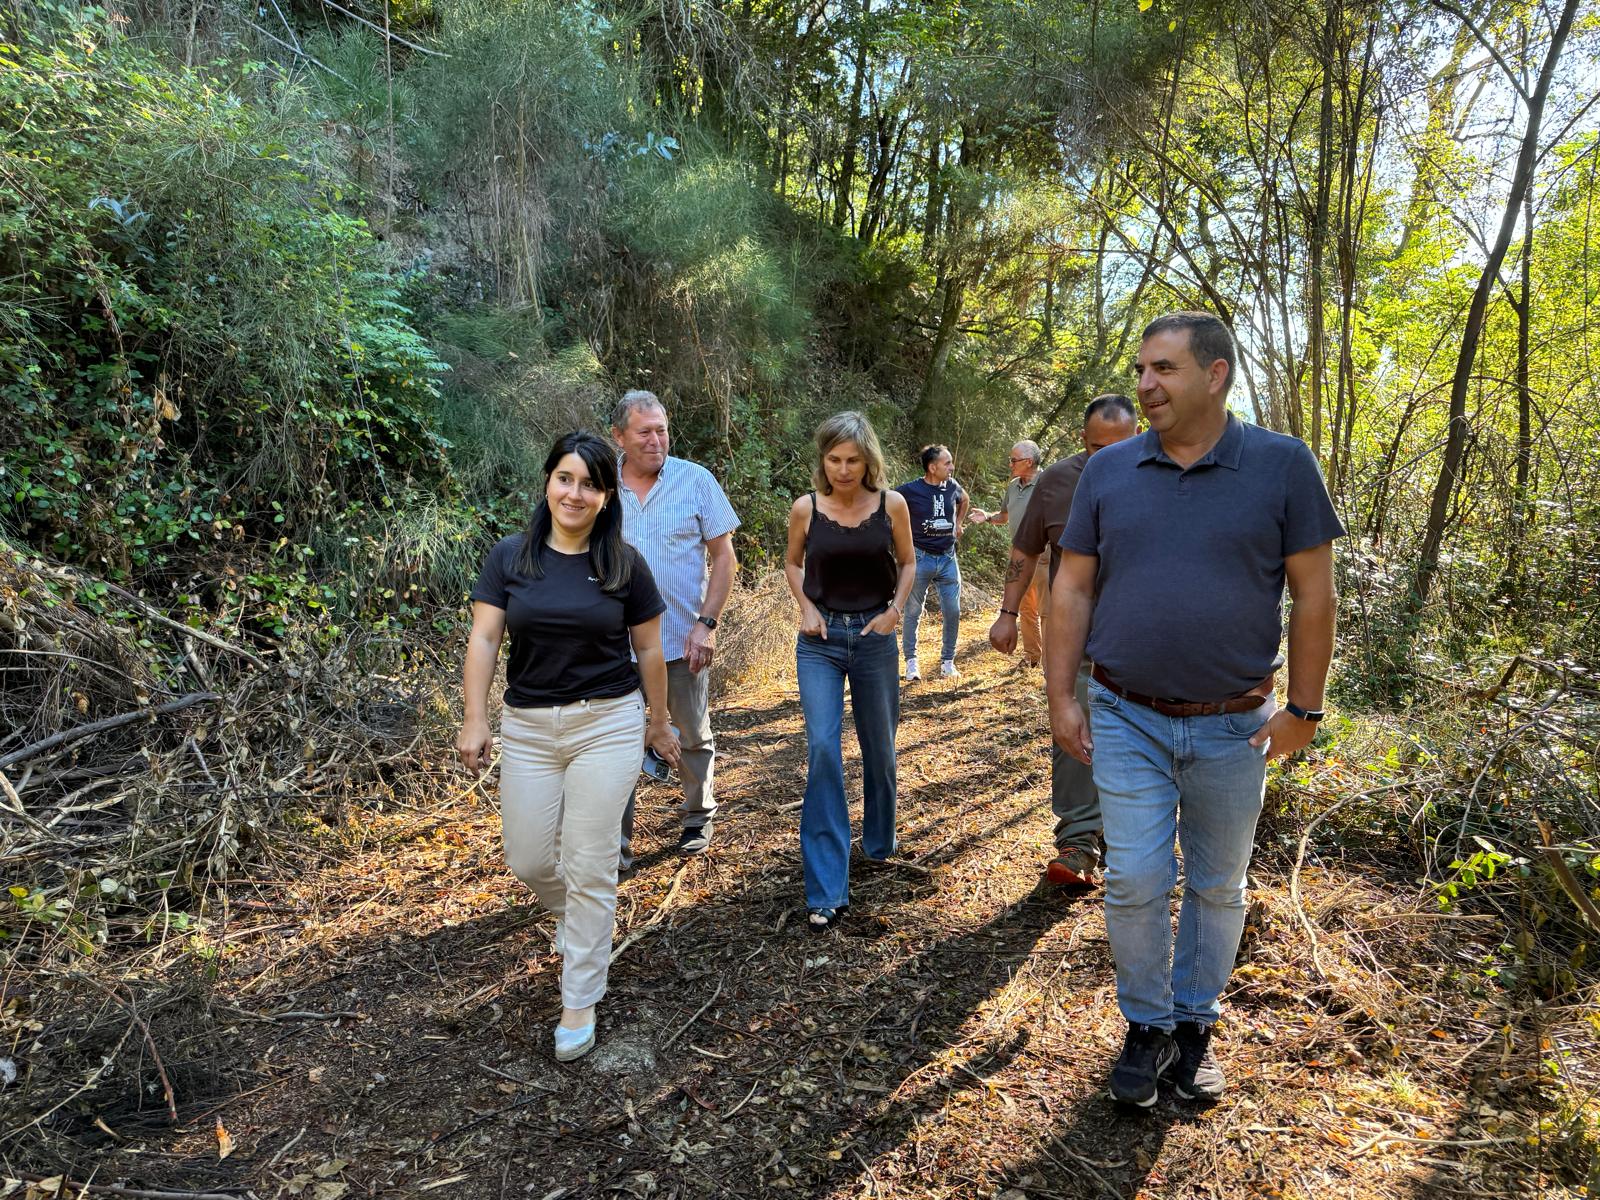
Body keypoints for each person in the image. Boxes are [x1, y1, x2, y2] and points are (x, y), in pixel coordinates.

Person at [1047, 312, 1342, 1108]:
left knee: (1218, 886)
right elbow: (1070, 586)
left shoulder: (1282, 466)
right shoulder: (1109, 473)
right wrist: (1060, 696)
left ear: (1215, 375)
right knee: (1136, 878)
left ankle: (1195, 1026)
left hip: (1236, 724)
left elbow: (1315, 596)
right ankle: (1146, 1026)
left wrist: (1304, 712)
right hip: (1125, 712)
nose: (1145, 385)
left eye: (1164, 370)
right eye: (1142, 369)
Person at [457, 432, 682, 1064]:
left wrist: (657, 723)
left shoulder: (623, 566)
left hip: (607, 722)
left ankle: (580, 995)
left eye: (588, 483)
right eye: (564, 478)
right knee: (528, 858)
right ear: (547, 483)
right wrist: (475, 717)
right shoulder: (510, 558)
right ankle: (582, 920)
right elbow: (483, 641)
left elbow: (647, 651)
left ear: (606, 495)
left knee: (590, 861)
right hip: (527, 727)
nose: (574, 493)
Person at [988, 397, 1138, 887]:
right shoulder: (1055, 482)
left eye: (1121, 446)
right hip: (1074, 636)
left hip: (1142, 639)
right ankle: (1077, 842)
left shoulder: (1162, 472)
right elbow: (1024, 549)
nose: (1109, 458)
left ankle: (1126, 840)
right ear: (1081, 440)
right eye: (1097, 448)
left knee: (1136, 738)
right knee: (1072, 730)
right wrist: (1008, 614)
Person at [784, 412, 916, 931]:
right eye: (834, 459)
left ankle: (879, 839)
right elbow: (792, 563)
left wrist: (895, 612)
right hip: (818, 641)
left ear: (869, 461)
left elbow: (908, 562)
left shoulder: (893, 505)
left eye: (853, 460)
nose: (843, 470)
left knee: (879, 745)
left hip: (874, 636)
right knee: (821, 748)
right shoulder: (805, 509)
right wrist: (805, 607)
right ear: (823, 460)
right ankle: (826, 887)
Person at [610, 391, 740, 863]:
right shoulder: (600, 488)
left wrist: (706, 625)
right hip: (613, 646)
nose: (655, 439)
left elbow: (724, 557)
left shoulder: (696, 480)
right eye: (644, 431)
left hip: (681, 643)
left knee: (690, 732)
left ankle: (697, 815)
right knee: (616, 741)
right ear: (619, 436)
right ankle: (617, 844)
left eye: (661, 429)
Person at [968, 439, 1046, 667]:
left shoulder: (1048, 483)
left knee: (1048, 611)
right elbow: (1005, 515)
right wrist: (988, 517)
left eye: (1013, 460)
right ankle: (1033, 657)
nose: (1010, 464)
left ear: (1029, 462)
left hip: (1045, 555)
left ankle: (1053, 666)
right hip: (1018, 554)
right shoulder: (1013, 486)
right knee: (1025, 608)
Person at [896, 445, 969, 680]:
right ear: (932, 467)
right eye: (947, 463)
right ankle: (911, 663)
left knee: (953, 610)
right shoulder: (909, 490)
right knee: (913, 611)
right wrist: (900, 536)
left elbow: (964, 500)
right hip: (919, 558)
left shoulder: (952, 486)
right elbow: (889, 506)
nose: (952, 467)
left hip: (948, 558)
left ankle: (948, 662)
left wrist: (958, 523)